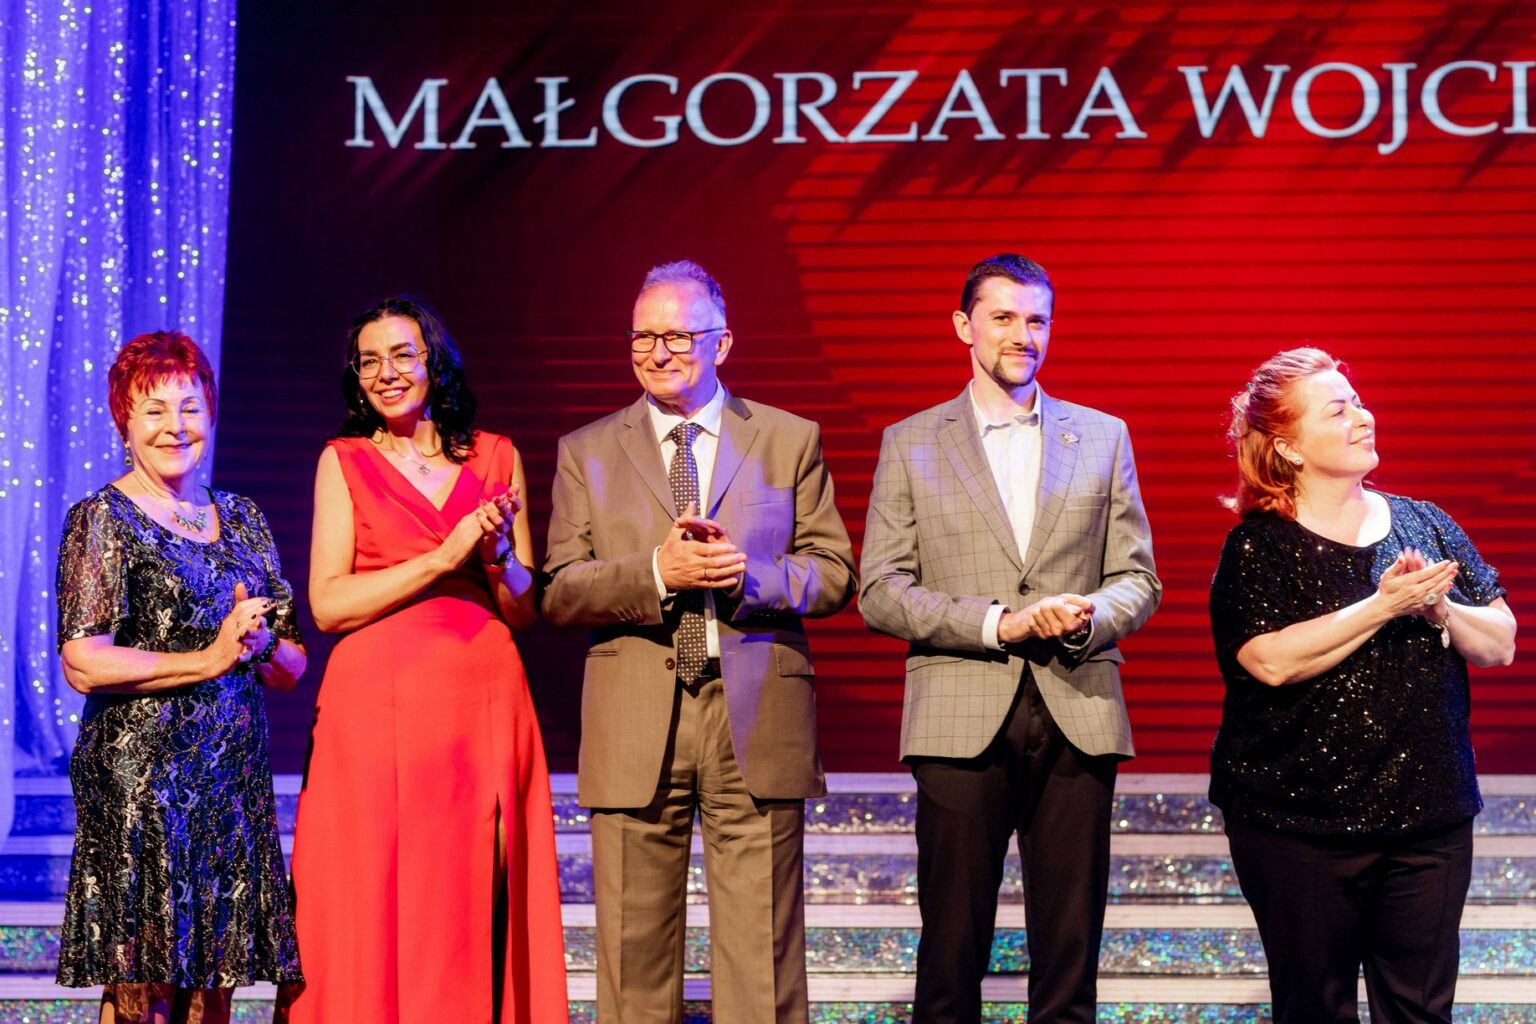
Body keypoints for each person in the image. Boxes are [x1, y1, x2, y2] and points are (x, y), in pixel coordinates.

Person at [542, 259, 855, 1023]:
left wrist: (749, 575)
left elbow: (834, 573)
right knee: (633, 956)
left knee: (762, 956)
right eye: (643, 337)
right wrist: (658, 572)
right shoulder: (587, 450)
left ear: (722, 343)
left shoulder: (787, 439)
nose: (658, 353)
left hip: (756, 712)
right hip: (634, 714)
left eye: (678, 337)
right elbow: (559, 589)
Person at [860, 254, 1160, 1024]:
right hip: (958, 714)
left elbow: (1138, 578)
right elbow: (880, 589)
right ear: (964, 327)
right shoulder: (911, 442)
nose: (1023, 335)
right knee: (951, 952)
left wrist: (1089, 614)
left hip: (1078, 705)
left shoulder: (1102, 436)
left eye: (1037, 321)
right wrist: (1000, 623)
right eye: (1003, 317)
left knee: (1069, 955)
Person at [1209, 347, 1517, 1024]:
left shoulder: (1425, 522)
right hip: (1298, 827)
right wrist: (1383, 605)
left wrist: (1440, 607)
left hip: (1429, 818)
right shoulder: (1260, 546)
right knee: (1314, 1008)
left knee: (1420, 1010)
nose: (1362, 417)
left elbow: (1501, 642)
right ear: (1288, 447)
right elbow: (1269, 661)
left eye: (1358, 402)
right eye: (1337, 410)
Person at [282, 297, 567, 1024]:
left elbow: (524, 607)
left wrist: (498, 556)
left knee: (466, 891)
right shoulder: (343, 460)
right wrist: (443, 557)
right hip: (373, 707)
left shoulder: (497, 457)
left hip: (480, 700)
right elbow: (327, 604)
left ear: (435, 362)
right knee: (371, 885)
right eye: (369, 360)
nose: (387, 372)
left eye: (402, 354)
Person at [55, 330, 304, 1024]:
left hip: (229, 786)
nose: (176, 426)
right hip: (143, 790)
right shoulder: (103, 519)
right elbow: (83, 660)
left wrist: (258, 643)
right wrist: (210, 657)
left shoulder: (244, 518)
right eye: (155, 409)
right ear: (124, 423)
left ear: (211, 414)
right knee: (146, 998)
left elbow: (291, 664)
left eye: (190, 407)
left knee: (214, 989)